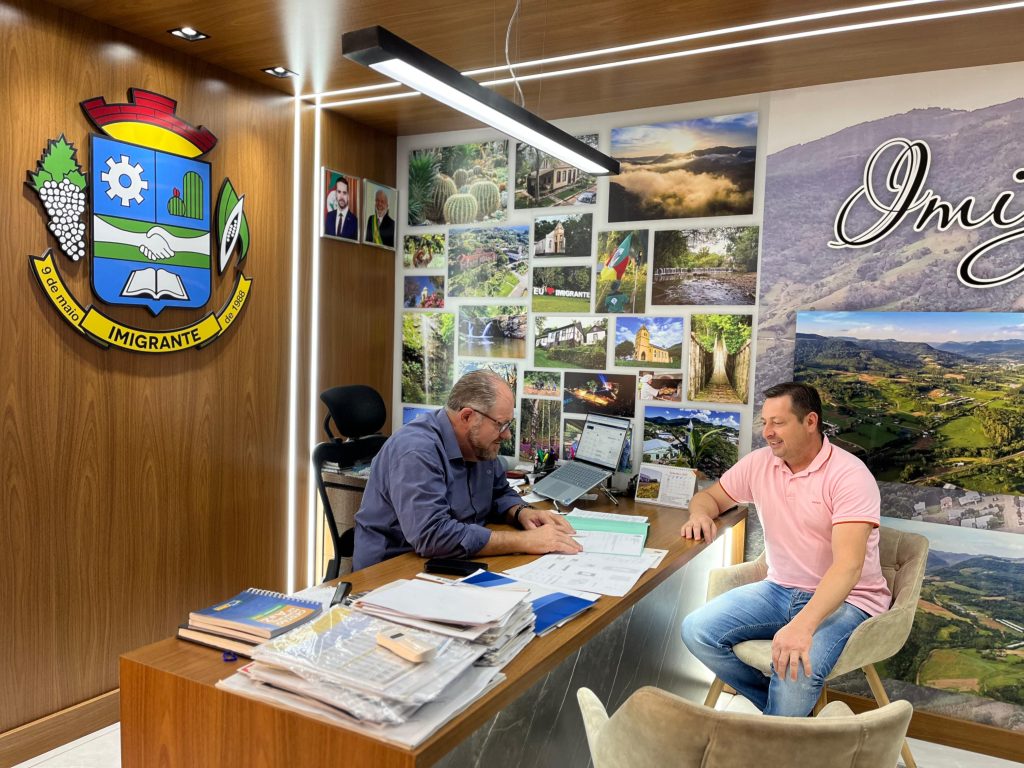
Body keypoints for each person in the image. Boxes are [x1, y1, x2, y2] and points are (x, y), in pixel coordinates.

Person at [680, 382, 890, 717]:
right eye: (765, 422)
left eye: (778, 423)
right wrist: (700, 514)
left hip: (849, 599)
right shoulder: (759, 464)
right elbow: (709, 497)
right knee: (697, 630)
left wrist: (803, 626)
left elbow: (848, 567)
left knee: (796, 668)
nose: (767, 432)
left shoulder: (850, 475)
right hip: (779, 589)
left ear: (810, 422)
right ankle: (784, 720)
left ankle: (780, 724)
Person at [353, 370, 582, 569]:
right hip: (392, 572)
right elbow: (433, 535)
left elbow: (499, 493)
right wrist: (526, 541)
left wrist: (522, 512)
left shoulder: (479, 445)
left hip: (451, 561)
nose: (507, 435)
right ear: (467, 416)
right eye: (501, 424)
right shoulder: (416, 451)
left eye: (508, 424)